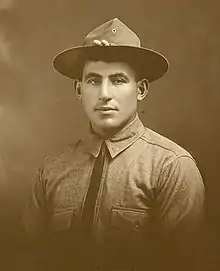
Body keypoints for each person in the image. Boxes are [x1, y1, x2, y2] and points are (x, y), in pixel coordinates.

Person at [22, 18, 205, 271]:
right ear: (78, 89)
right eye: (94, 81)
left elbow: (187, 263)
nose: (104, 93)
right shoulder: (52, 170)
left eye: (118, 80)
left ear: (140, 90)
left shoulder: (172, 166)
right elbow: (30, 258)